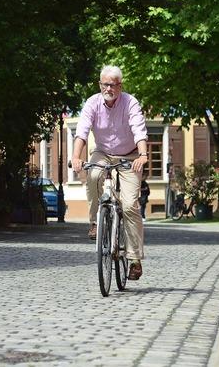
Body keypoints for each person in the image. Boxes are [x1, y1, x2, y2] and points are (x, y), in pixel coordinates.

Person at [71, 65, 148, 280]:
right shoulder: (92, 103)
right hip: (103, 153)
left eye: (113, 85)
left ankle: (134, 260)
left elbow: (138, 129)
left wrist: (142, 155)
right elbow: (82, 132)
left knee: (130, 205)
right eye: (105, 84)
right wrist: (76, 157)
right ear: (100, 85)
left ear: (120, 86)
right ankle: (95, 222)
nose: (108, 88)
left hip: (130, 155)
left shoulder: (130, 103)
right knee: (93, 175)